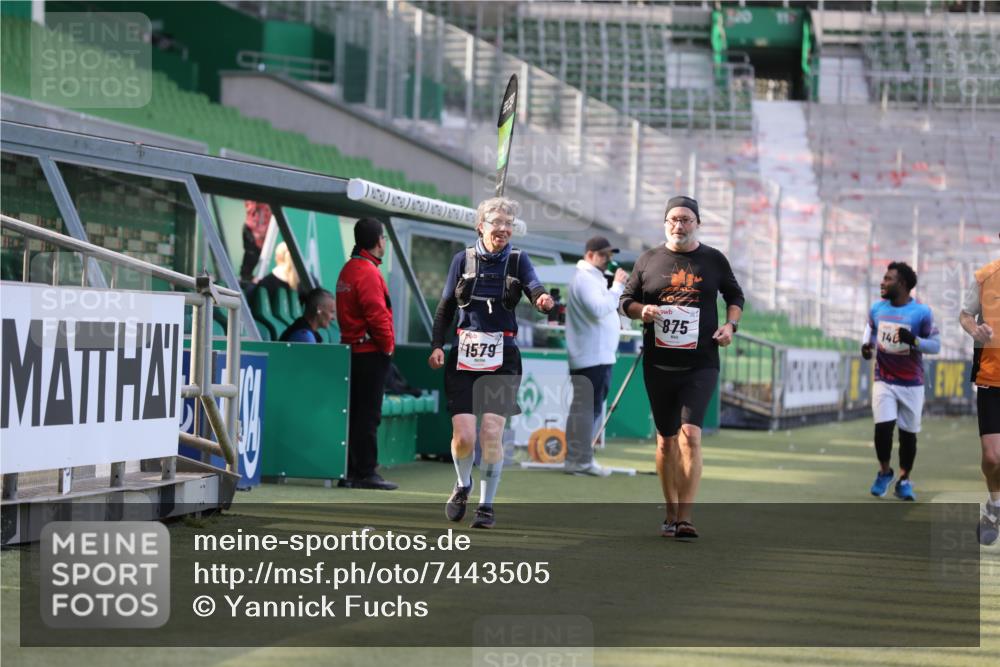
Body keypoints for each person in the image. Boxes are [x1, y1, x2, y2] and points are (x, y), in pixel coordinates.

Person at [620, 195, 744, 539]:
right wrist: (641, 311)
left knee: (691, 435)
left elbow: (735, 297)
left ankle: (686, 517)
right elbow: (625, 301)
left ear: (698, 224)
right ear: (665, 223)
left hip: (701, 363)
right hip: (659, 363)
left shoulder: (713, 260)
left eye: (687, 219)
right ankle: (671, 510)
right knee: (665, 441)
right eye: (674, 218)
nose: (680, 224)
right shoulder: (648, 260)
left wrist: (730, 326)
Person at [428, 197, 554, 528]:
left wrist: (541, 299)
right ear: (480, 226)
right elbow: (444, 308)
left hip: (503, 357)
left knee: (491, 431)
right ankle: (462, 484)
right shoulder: (462, 260)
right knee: (465, 436)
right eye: (496, 222)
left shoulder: (517, 260)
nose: (502, 229)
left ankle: (486, 505)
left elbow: (534, 285)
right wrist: (437, 345)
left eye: (508, 224)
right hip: (464, 356)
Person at [861, 261, 940, 501]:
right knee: (882, 429)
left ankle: (904, 480)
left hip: (912, 384)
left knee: (908, 436)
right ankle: (885, 472)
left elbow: (935, 346)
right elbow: (870, 332)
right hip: (884, 379)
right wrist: (866, 347)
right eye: (883, 278)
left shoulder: (922, 313)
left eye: (888, 279)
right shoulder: (876, 309)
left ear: (903, 284)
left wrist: (913, 340)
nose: (882, 282)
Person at [335, 218, 397, 491]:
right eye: (383, 237)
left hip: (352, 351)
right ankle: (366, 472)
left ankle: (349, 470)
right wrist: (387, 346)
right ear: (377, 240)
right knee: (368, 415)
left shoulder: (349, 269)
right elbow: (377, 314)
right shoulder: (368, 272)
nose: (384, 242)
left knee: (355, 414)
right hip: (369, 352)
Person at [563, 235, 629, 476]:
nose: (607, 260)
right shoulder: (585, 279)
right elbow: (599, 309)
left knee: (585, 409)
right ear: (589, 254)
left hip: (594, 356)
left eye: (609, 255)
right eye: (603, 255)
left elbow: (602, 310)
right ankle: (580, 460)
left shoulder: (591, 278)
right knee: (586, 410)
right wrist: (618, 286)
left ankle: (577, 459)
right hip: (591, 356)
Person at [959, 241, 1000, 544]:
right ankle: (995, 505)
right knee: (991, 457)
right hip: (991, 376)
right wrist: (976, 330)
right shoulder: (985, 276)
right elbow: (964, 315)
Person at [240, 201, 271, 282]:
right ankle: (245, 276)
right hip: (251, 230)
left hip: (259, 233)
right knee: (251, 254)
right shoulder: (255, 205)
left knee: (256, 255)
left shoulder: (267, 207)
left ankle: (247, 276)